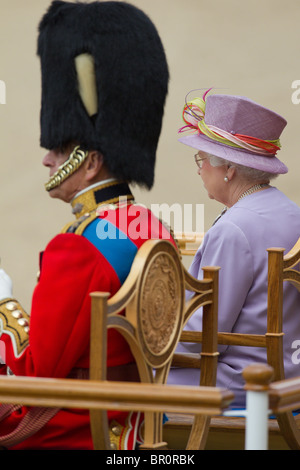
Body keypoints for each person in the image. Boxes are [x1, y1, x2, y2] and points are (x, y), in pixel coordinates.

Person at [0, 1, 174, 450]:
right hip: (132, 428)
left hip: (76, 431)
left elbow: (37, 375)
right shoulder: (152, 227)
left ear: (91, 161)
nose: (46, 159)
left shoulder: (78, 248)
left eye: (59, 149)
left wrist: (4, 310)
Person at [168, 88, 300, 406]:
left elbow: (202, 336)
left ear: (229, 169)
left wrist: (146, 341)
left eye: (201, 160)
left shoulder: (234, 229)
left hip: (245, 381)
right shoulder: (291, 212)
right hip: (290, 375)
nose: (199, 169)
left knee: (127, 379)